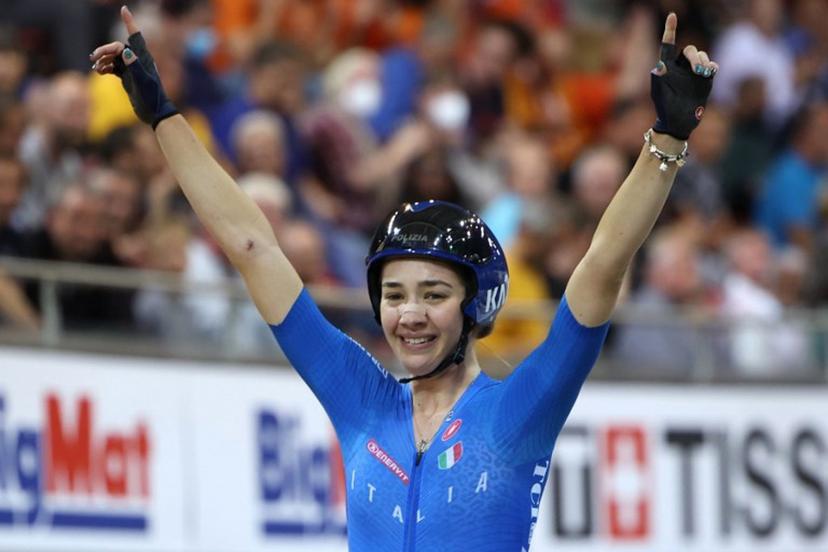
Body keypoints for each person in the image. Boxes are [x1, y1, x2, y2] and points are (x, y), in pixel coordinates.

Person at [92, 8, 716, 550]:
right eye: (393, 295)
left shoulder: (520, 411)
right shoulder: (359, 398)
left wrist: (666, 140)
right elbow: (253, 247)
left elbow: (604, 261)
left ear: (476, 306)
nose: (409, 314)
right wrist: (162, 116)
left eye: (434, 294)